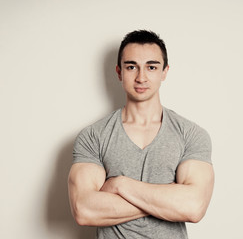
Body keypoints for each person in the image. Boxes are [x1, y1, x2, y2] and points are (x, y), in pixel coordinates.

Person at [68, 30, 214, 239]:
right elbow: (84, 210)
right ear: (119, 72)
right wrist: (167, 198)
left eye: (151, 67)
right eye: (131, 67)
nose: (141, 77)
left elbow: (193, 207)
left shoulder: (191, 134)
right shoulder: (93, 136)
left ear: (164, 72)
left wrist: (119, 184)